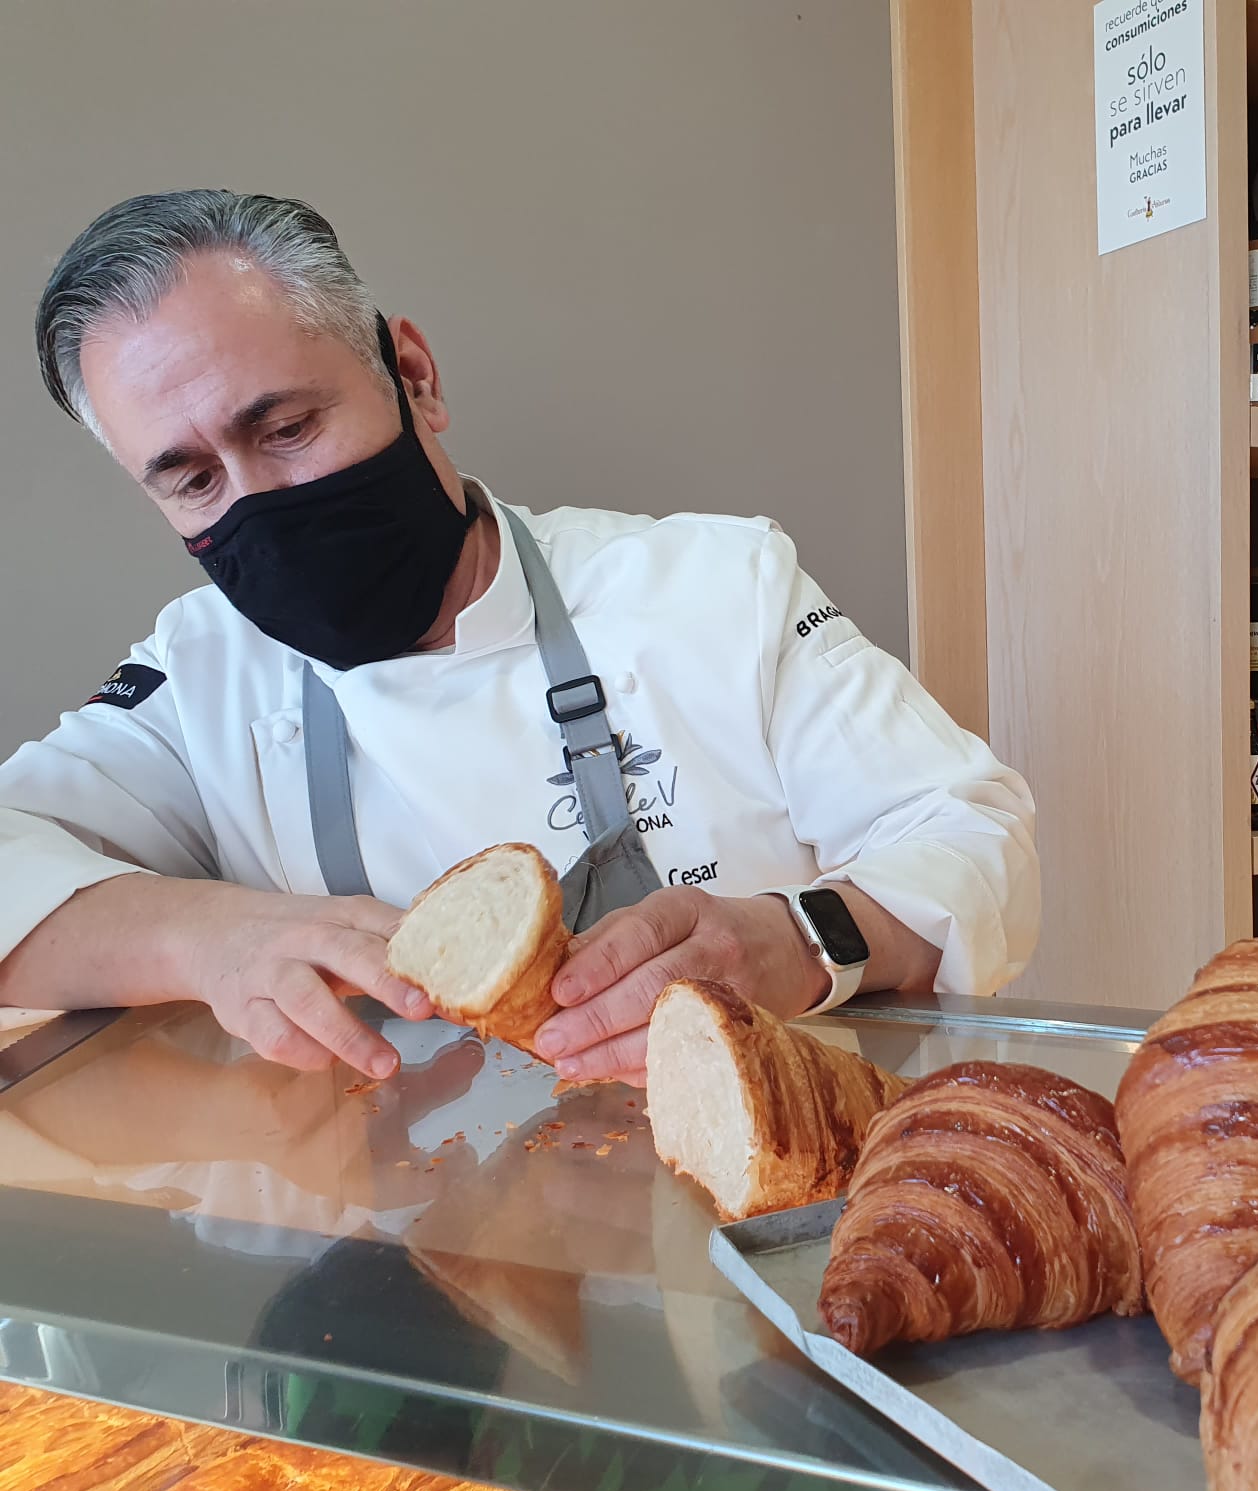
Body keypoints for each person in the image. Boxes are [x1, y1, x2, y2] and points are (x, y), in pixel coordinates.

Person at [0, 191, 1037, 1086]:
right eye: (191, 478)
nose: (257, 500)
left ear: (414, 374)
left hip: (763, 1194)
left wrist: (803, 937)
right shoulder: (202, 674)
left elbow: (976, 839)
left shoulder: (715, 588)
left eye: (287, 429)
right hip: (396, 1260)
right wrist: (205, 936)